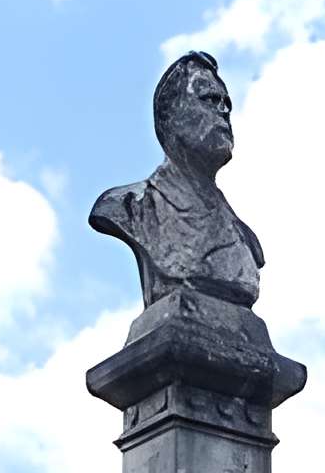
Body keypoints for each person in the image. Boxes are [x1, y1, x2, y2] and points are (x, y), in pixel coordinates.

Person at [90, 51, 264, 310]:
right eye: (209, 99)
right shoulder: (129, 207)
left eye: (226, 104)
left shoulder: (245, 239)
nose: (223, 111)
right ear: (171, 115)